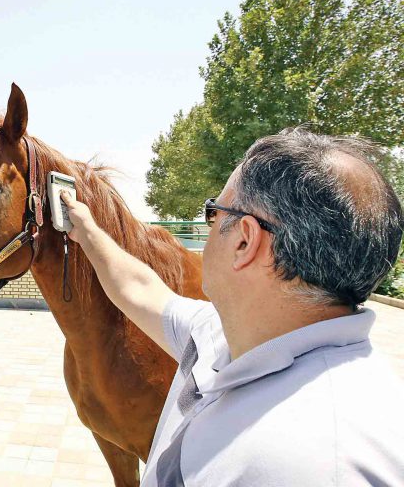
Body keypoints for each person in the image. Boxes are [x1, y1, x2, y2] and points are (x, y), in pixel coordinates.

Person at [61, 128, 404, 486]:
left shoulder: (313, 463)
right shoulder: (225, 334)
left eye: (213, 211)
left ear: (244, 240)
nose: (208, 226)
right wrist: (86, 228)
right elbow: (139, 289)